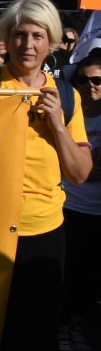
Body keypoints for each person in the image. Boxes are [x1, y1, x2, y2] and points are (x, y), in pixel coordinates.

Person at [0, 0, 92, 350]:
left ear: (52, 42)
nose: (27, 44)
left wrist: (58, 125)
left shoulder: (66, 95)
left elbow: (79, 174)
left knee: (35, 334)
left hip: (43, 231)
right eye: (19, 34)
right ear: (5, 38)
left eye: (37, 35)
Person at [62, 51, 101, 332]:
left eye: (98, 80)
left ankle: (80, 329)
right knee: (65, 275)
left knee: (90, 280)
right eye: (83, 81)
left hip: (97, 213)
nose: (90, 86)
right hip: (67, 207)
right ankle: (64, 329)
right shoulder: (66, 114)